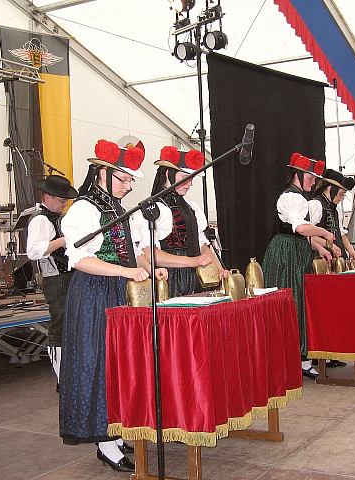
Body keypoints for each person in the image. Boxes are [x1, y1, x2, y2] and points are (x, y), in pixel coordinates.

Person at [59, 139, 167, 473]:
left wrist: (149, 267)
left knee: (120, 363)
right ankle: (104, 441)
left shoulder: (121, 210)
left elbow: (133, 250)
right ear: (102, 173)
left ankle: (116, 430)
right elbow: (80, 260)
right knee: (98, 361)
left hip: (119, 291)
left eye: (132, 180)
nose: (129, 186)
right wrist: (127, 271)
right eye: (123, 179)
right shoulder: (83, 209)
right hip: (93, 294)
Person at [262, 153, 335, 380]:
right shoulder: (290, 198)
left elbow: (302, 233)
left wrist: (320, 248)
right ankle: (285, 358)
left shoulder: (301, 200)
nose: (313, 182)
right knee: (289, 304)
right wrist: (324, 233)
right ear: (298, 175)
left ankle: (301, 358)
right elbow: (301, 228)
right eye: (310, 178)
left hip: (297, 252)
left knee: (300, 304)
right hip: (285, 256)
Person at [133, 145, 226, 298]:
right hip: (169, 279)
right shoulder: (153, 210)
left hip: (197, 278)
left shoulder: (192, 208)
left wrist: (220, 270)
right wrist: (192, 261)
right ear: (169, 174)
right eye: (185, 178)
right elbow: (149, 254)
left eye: (192, 178)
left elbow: (202, 245)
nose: (190, 184)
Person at [26, 175, 78, 388]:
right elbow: (34, 251)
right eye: (60, 199)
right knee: (60, 327)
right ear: (47, 196)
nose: (64, 203)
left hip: (69, 276)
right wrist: (64, 240)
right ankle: (61, 377)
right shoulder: (40, 219)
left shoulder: (58, 218)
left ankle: (68, 373)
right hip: (56, 279)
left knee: (69, 325)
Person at [309, 169, 355, 368]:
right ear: (330, 188)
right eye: (341, 192)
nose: (342, 196)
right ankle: (318, 355)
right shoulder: (314, 205)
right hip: (318, 263)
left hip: (335, 262)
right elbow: (308, 234)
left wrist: (353, 253)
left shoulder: (334, 208)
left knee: (335, 309)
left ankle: (332, 350)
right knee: (321, 309)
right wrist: (329, 245)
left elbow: (341, 233)